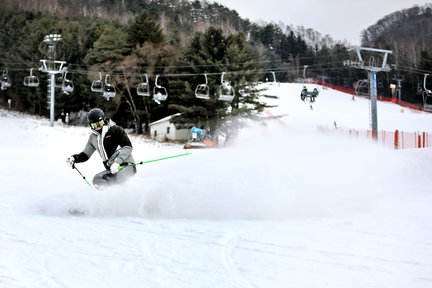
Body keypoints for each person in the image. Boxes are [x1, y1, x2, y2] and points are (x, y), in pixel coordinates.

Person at [66, 108, 136, 189]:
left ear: (104, 120)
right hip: (112, 169)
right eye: (95, 125)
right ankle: (105, 197)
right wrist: (74, 158)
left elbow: (128, 147)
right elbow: (85, 154)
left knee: (120, 180)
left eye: (100, 123)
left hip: (126, 166)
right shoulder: (93, 137)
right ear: (90, 125)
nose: (98, 127)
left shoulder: (115, 130)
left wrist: (117, 162)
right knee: (97, 180)